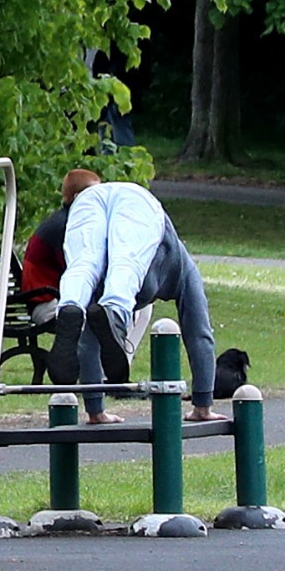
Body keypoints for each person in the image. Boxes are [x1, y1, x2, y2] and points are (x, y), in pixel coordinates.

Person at [46, 168, 219, 421]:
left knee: (83, 265)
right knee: (127, 260)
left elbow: (86, 342)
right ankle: (117, 311)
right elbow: (199, 331)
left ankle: (69, 305)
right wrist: (203, 402)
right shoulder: (181, 267)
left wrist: (96, 411)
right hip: (138, 200)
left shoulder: (80, 201)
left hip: (87, 200)